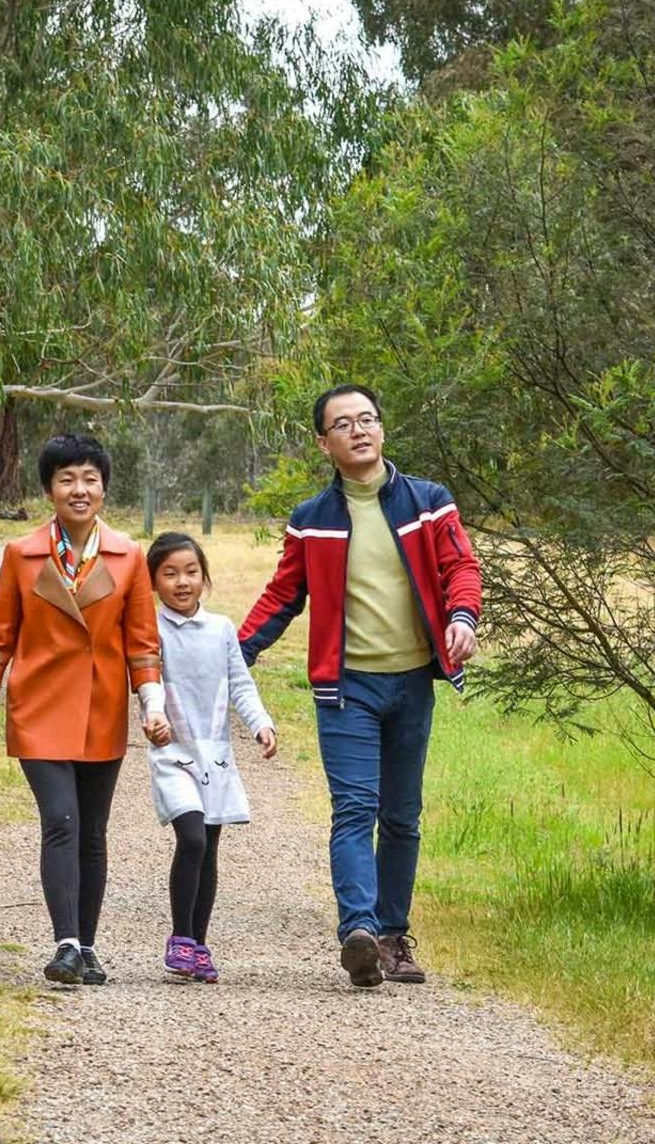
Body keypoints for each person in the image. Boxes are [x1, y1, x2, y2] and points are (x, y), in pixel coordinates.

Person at [238, 384, 483, 987]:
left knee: (402, 815)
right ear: (325, 443)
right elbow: (282, 596)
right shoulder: (312, 520)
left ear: (381, 429)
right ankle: (360, 933)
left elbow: (461, 567)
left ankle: (395, 939)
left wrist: (461, 617)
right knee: (354, 809)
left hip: (411, 685)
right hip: (345, 689)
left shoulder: (429, 502)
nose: (358, 430)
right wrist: (234, 655)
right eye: (343, 424)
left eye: (367, 419)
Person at [0, 434, 169, 985]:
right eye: (66, 480)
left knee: (93, 832)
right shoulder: (20, 554)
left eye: (89, 480)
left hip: (102, 709)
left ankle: (89, 945)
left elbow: (142, 643)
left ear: (103, 488)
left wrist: (152, 705)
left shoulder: (129, 556)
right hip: (39, 708)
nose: (79, 490)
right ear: (49, 490)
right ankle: (67, 944)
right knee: (60, 821)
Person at [145, 531, 277, 983]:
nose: (182, 582)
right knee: (193, 839)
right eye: (170, 574)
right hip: (172, 753)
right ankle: (180, 936)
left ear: (205, 577)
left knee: (210, 849)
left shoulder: (221, 629)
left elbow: (239, 682)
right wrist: (153, 715)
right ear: (154, 582)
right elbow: (147, 680)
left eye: (191, 572)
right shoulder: (151, 629)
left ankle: (199, 944)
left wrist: (261, 723)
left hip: (216, 756)